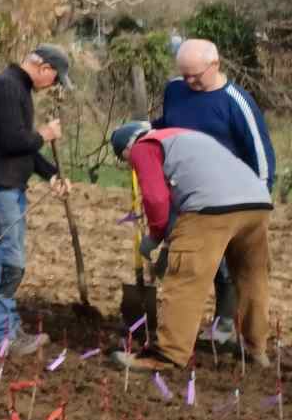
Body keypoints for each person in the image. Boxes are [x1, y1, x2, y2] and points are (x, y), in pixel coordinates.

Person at [109, 121, 272, 370]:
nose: (131, 165)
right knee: (252, 278)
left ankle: (166, 355)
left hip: (211, 208)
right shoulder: (186, 136)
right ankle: (257, 349)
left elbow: (155, 198)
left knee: (186, 278)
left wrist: (154, 236)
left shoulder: (143, 147)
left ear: (126, 150)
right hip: (256, 204)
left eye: (126, 160)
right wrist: (168, 239)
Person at [154, 38, 277, 344]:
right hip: (183, 194)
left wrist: (259, 200)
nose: (189, 81)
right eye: (184, 74)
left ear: (215, 65)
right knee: (182, 261)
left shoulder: (237, 101)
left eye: (195, 75)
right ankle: (178, 327)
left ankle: (225, 326)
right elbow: (167, 126)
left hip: (227, 199)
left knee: (228, 267)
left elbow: (261, 155)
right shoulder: (175, 90)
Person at [0, 45, 72, 357]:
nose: (53, 85)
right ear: (44, 68)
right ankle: (2, 337)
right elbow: (13, 141)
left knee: (10, 262)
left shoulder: (17, 89)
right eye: (55, 78)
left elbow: (23, 148)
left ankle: (9, 328)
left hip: (8, 188)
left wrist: (51, 174)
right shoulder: (5, 88)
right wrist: (45, 134)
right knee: (6, 263)